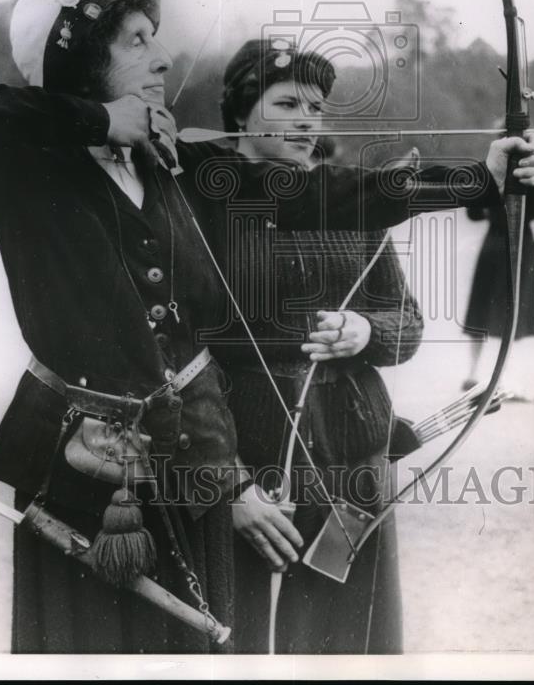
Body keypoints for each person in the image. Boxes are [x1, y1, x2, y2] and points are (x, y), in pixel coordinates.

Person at [0, 0, 534, 654]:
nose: (160, 56)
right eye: (135, 41)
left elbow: (328, 196)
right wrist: (99, 119)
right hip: (82, 480)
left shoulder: (170, 164)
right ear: (81, 55)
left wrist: (478, 178)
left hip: (192, 476)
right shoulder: (27, 171)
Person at [207, 39, 422, 653]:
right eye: (287, 103)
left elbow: (407, 321)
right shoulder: (206, 201)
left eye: (317, 107)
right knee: (246, 634)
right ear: (242, 112)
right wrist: (228, 483)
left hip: (353, 450)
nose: (307, 119)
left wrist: (365, 331)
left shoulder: (350, 199)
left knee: (350, 638)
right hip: (253, 455)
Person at [461, 179, 534, 399]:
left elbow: (473, 212)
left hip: (493, 241)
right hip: (519, 243)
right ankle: (505, 382)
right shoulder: (532, 167)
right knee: (514, 311)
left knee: (482, 306)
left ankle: (473, 374)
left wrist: (493, 210)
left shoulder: (495, 165)